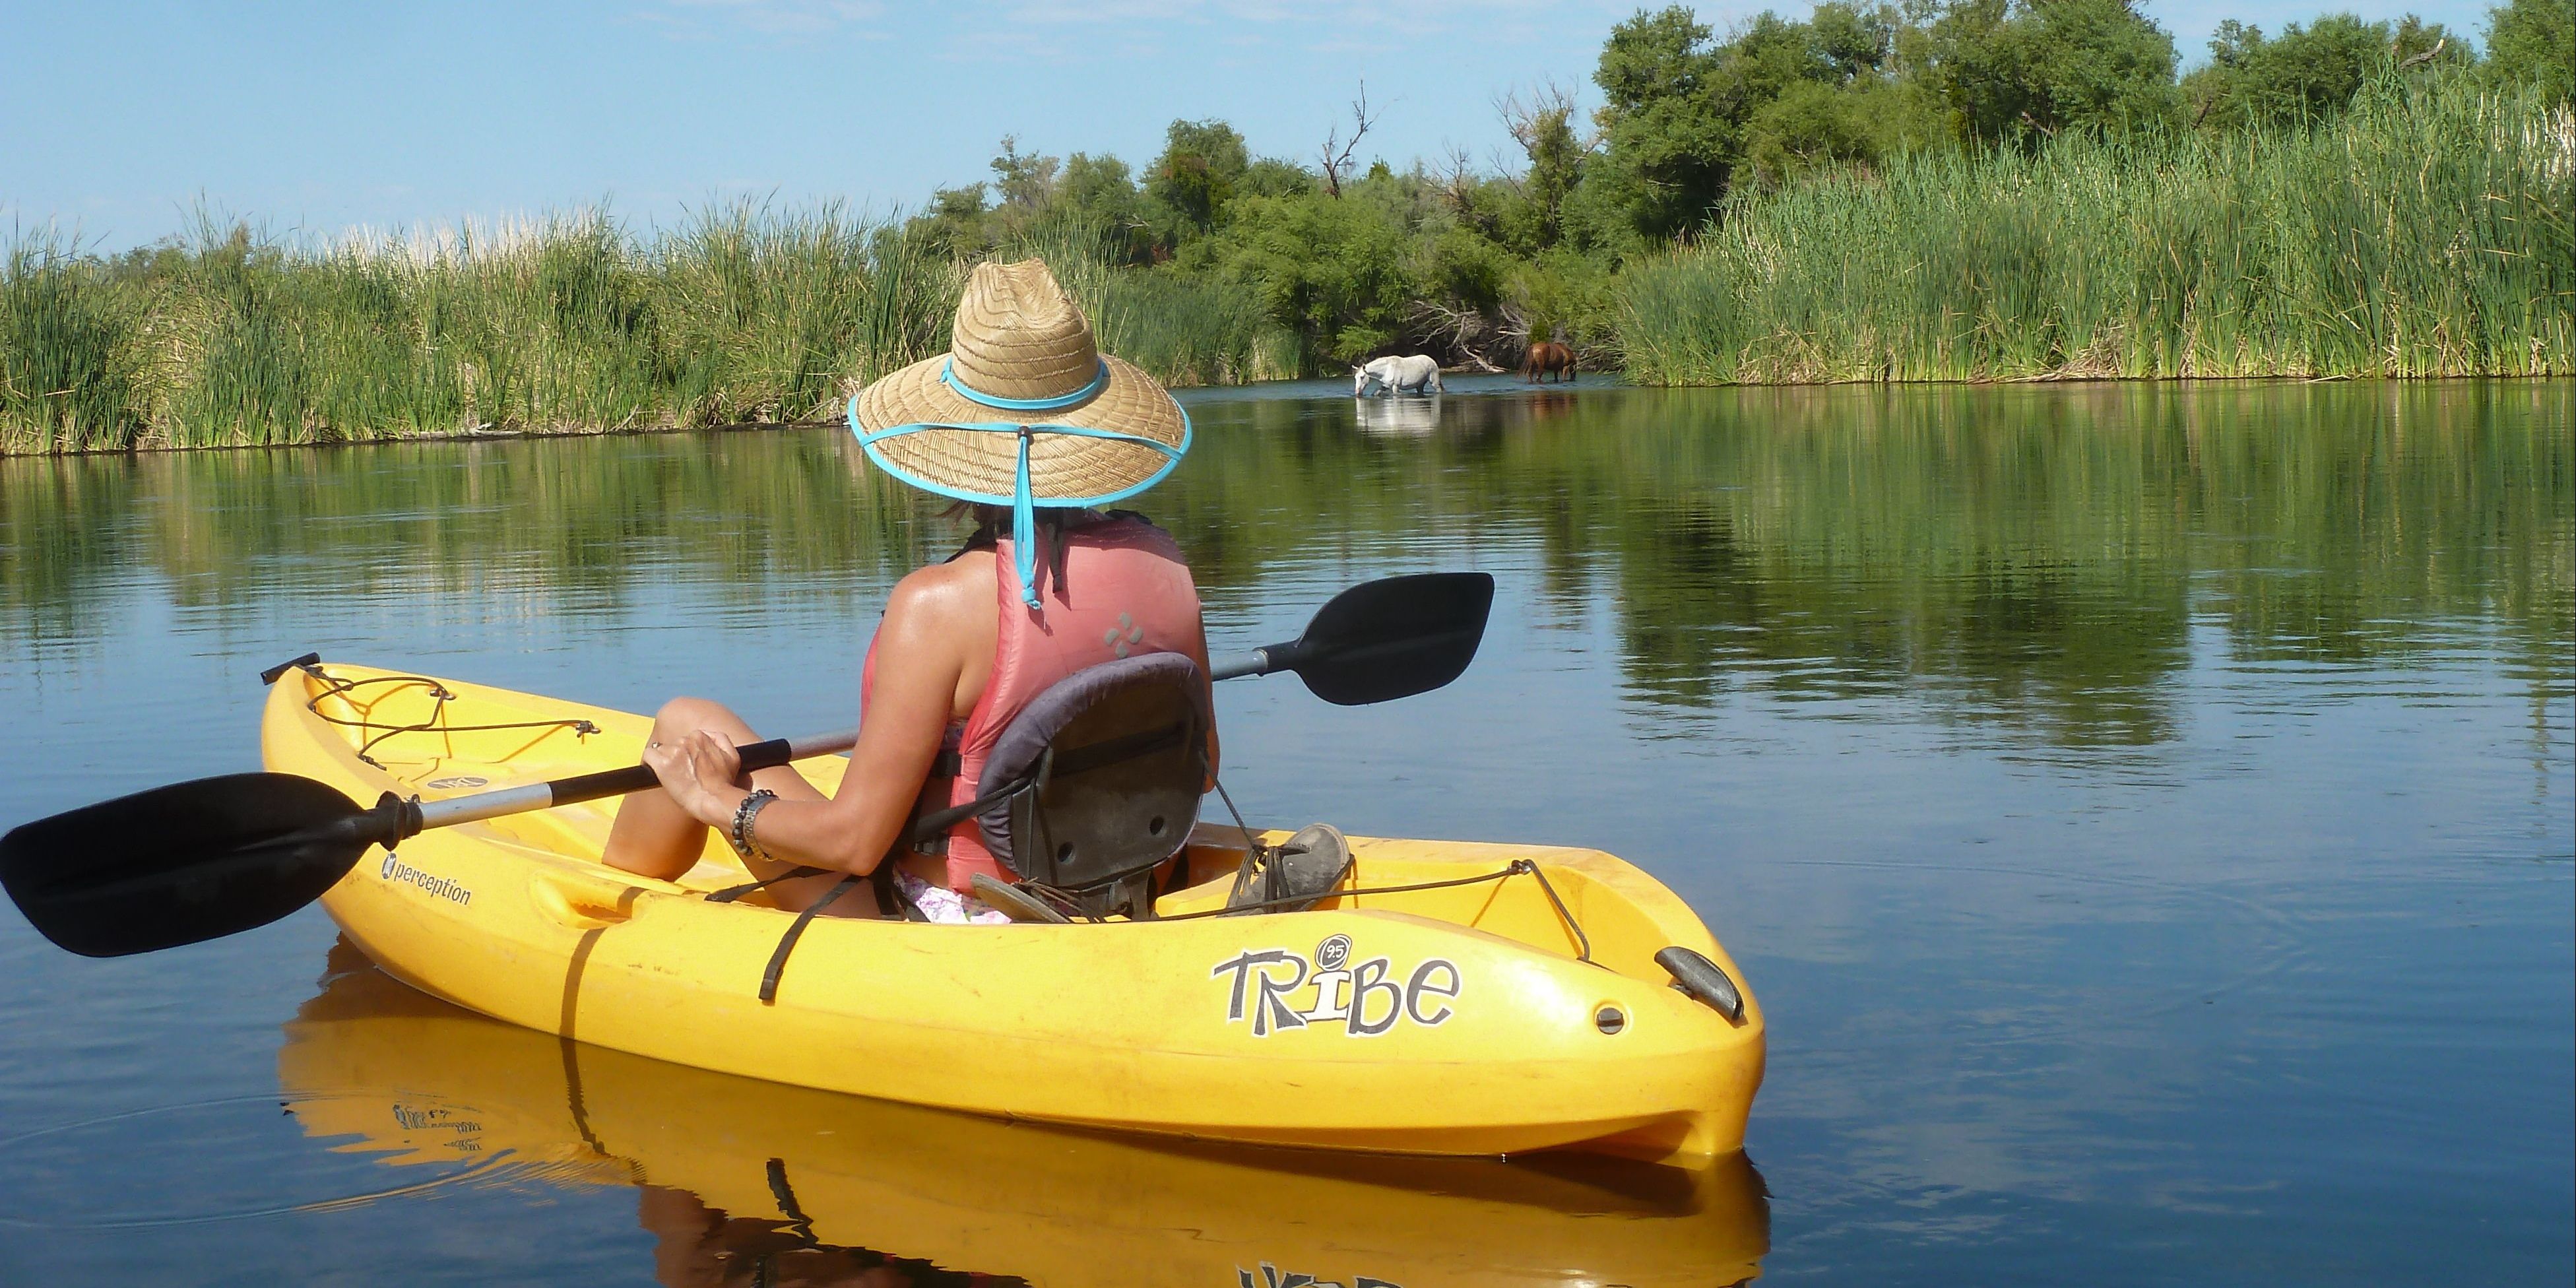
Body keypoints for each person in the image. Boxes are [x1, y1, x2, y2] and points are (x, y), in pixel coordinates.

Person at [604, 259, 1214, 923]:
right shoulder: (1165, 566)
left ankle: (610, 919)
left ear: (956, 437)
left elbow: (856, 844)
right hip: (1119, 890)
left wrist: (719, 802)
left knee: (684, 725)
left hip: (949, 917)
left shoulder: (939, 604)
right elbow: (1201, 769)